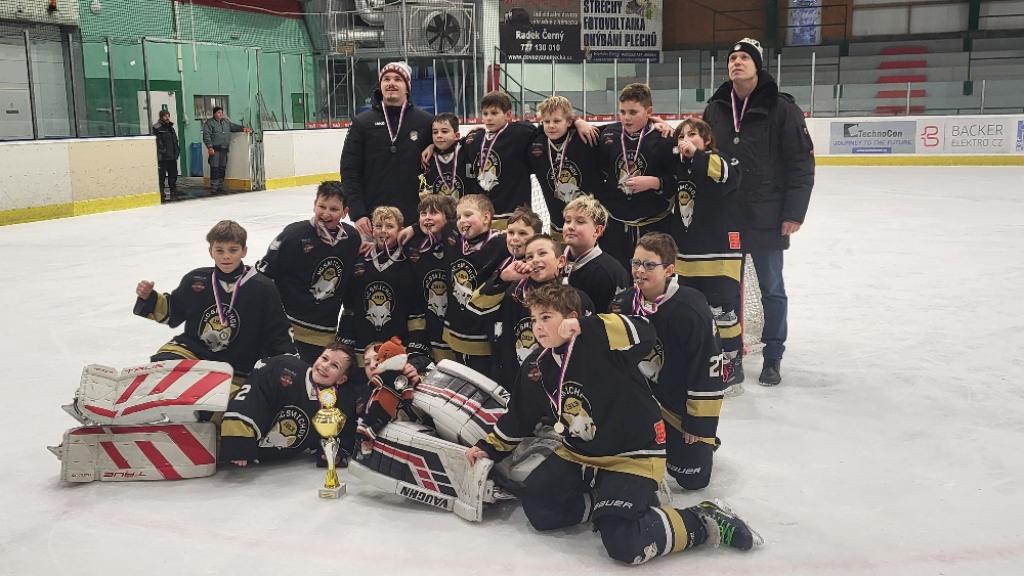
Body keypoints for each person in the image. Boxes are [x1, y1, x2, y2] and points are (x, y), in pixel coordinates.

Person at [466, 283, 761, 564]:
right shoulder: (536, 364)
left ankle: (702, 518)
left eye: (546, 317)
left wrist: (586, 325)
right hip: (578, 454)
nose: (538, 326)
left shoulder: (601, 341)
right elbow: (520, 416)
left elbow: (646, 332)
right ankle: (610, 501)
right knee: (539, 508)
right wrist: (488, 448)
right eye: (534, 319)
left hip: (631, 455)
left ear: (571, 317)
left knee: (624, 542)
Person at [702, 38, 815, 386]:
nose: (736, 62)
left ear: (757, 66)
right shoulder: (716, 108)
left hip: (767, 216)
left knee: (771, 288)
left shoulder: (782, 109)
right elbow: (702, 155)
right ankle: (732, 354)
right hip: (727, 216)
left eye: (744, 58)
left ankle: (773, 356)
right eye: (732, 58)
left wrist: (793, 212)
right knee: (727, 291)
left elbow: (800, 163)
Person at [611, 233, 726, 490]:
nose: (640, 271)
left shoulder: (691, 308)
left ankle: (704, 442)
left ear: (669, 270)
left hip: (676, 409)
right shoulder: (623, 303)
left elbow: (708, 368)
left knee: (692, 478)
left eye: (649, 265)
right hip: (638, 400)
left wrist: (699, 423)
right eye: (636, 263)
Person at [133, 220, 295, 390]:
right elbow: (172, 313)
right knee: (163, 365)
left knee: (224, 397)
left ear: (244, 251)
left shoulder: (262, 287)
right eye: (219, 250)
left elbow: (278, 333)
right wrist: (149, 297)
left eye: (233, 250)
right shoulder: (196, 280)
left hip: (240, 365)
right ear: (210, 251)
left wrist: (288, 367)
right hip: (195, 352)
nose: (226, 256)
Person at [668, 119, 746, 393]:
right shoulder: (681, 165)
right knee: (694, 312)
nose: (685, 140)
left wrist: (696, 153)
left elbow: (727, 175)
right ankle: (705, 362)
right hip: (689, 256)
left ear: (707, 140)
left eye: (692, 135)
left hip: (720, 252)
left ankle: (733, 366)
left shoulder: (719, 159)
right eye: (681, 136)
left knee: (722, 311)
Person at [469, 233, 594, 394]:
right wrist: (502, 278)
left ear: (561, 261)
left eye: (542, 253)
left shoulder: (577, 299)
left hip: (557, 387)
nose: (535, 259)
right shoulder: (512, 293)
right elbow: (475, 308)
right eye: (529, 257)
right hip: (512, 382)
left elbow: (587, 346)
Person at [256, 181, 361, 364]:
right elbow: (264, 276)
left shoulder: (351, 239)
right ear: (314, 205)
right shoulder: (294, 234)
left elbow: (351, 283)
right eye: (322, 206)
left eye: (334, 209)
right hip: (286, 329)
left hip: (323, 332)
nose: (326, 213)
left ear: (345, 212)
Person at [220, 342, 362, 468]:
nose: (325, 366)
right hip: (226, 425)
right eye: (324, 358)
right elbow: (256, 388)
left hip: (263, 461)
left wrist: (333, 454)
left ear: (341, 379)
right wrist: (239, 439)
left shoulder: (336, 405)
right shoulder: (286, 366)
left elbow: (339, 437)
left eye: (334, 366)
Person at [340, 61, 433, 238]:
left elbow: (449, 148)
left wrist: (434, 145)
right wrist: (358, 213)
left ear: (407, 87)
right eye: (386, 79)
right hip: (372, 220)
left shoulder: (425, 122)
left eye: (398, 79)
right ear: (380, 85)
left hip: (415, 219)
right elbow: (349, 170)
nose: (391, 83)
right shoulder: (362, 123)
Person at [337, 206, 431, 373]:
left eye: (389, 226)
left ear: (401, 230)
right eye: (378, 226)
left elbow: (417, 309)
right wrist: (345, 340)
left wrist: (415, 347)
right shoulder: (360, 259)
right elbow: (350, 306)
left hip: (397, 344)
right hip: (362, 344)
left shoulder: (410, 261)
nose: (383, 231)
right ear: (372, 230)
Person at [596, 83, 678, 267]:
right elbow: (599, 172)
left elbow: (678, 180)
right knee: (618, 278)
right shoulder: (609, 135)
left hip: (655, 225)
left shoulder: (664, 139)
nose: (626, 117)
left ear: (649, 111)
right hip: (616, 226)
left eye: (633, 112)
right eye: (622, 112)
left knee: (654, 277)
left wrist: (655, 182)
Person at [441, 194, 509, 376]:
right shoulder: (452, 235)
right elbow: (435, 222)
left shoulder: (503, 243)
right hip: (455, 330)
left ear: (486, 217)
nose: (462, 220)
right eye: (459, 216)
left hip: (484, 336)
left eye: (468, 214)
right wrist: (413, 229)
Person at [528, 95, 603, 239]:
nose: (551, 126)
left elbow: (619, 130)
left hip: (588, 226)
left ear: (569, 121)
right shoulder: (537, 144)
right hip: (558, 226)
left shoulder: (585, 138)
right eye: (546, 121)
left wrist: (578, 121)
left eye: (557, 121)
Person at [405, 194, 458, 362]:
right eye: (423, 214)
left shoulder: (458, 242)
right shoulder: (414, 244)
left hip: (456, 322)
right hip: (429, 321)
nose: (427, 217)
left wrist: (414, 227)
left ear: (448, 217)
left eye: (434, 213)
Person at [561, 196, 631, 313]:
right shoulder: (553, 257)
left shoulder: (612, 272)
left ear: (597, 231)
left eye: (580, 222)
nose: (570, 227)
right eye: (567, 221)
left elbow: (615, 319)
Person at [201, 106, 250, 195]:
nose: (220, 114)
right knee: (215, 168)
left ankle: (220, 186)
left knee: (222, 168)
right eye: (218, 112)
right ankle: (214, 187)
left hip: (224, 149)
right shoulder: (209, 123)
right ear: (214, 114)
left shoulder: (226, 122)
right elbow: (206, 136)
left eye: (221, 112)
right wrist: (210, 147)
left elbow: (234, 127)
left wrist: (243, 128)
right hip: (215, 149)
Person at [420, 112, 467, 200]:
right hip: (437, 207)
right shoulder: (428, 157)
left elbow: (478, 133)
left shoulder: (465, 149)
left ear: (457, 135)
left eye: (444, 131)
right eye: (435, 132)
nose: (439, 135)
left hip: (463, 207)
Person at [153, 110, 180, 202]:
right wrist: (163, 151)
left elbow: (175, 141)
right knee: (161, 176)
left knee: (173, 175)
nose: (167, 118)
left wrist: (177, 151)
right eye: (165, 116)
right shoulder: (157, 128)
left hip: (172, 156)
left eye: (168, 115)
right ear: (161, 117)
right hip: (162, 157)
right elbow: (157, 142)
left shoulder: (171, 128)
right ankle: (161, 192)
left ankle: (173, 190)